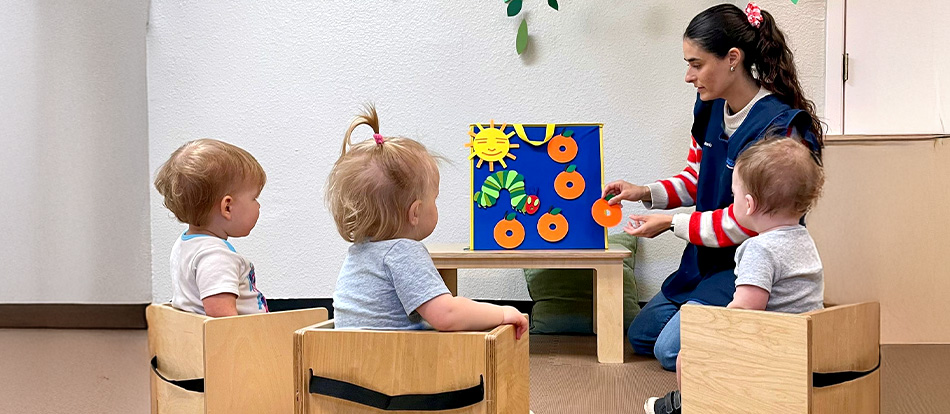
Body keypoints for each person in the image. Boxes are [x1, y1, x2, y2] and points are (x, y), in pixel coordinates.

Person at [603, 2, 824, 371]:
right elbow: (695, 178)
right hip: (703, 260)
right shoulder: (709, 107)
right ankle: (714, 319)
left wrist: (673, 224)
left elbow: (749, 221)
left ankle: (762, 329)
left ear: (732, 59)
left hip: (749, 265)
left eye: (696, 63)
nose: (689, 76)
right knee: (642, 335)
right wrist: (644, 192)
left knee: (670, 351)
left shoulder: (778, 127)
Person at [645, 136, 825, 414]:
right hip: (804, 346)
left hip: (771, 349)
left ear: (749, 205)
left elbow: (743, 313)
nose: (733, 202)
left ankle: (696, 404)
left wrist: (709, 331)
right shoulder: (803, 239)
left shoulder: (758, 249)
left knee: (688, 355)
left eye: (735, 195)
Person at [326, 105, 529, 339]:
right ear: (415, 212)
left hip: (348, 358)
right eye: (435, 199)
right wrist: (502, 313)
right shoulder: (403, 252)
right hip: (392, 363)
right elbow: (446, 314)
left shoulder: (359, 252)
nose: (436, 206)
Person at [154, 139, 269, 317]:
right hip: (243, 341)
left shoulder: (186, 244)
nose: (258, 206)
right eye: (254, 198)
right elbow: (222, 320)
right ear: (227, 208)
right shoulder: (216, 257)